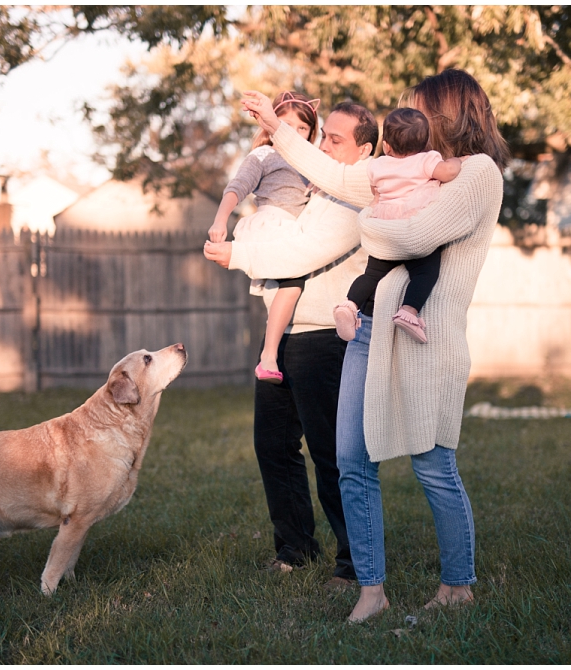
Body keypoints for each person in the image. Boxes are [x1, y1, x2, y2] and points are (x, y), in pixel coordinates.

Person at [241, 68, 509, 623]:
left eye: (417, 110)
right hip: (367, 329)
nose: (403, 122)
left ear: (448, 113)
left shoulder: (477, 175)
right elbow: (334, 174)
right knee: (350, 460)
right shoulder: (396, 173)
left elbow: (413, 237)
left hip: (428, 339)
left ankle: (457, 587)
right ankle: (371, 590)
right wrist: (278, 128)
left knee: (433, 466)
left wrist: (370, 221)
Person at [203, 100, 381, 585]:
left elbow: (302, 250)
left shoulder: (357, 192)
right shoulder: (317, 182)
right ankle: (296, 547)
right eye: (324, 137)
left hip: (325, 336)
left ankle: (355, 563)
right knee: (274, 445)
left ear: (364, 150)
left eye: (334, 140)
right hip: (283, 333)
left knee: (332, 453)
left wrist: (238, 252)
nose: (321, 146)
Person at [208, 91, 320, 383]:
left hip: (296, 229)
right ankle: (268, 356)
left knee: (289, 289)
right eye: (286, 124)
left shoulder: (312, 161)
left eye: (302, 128)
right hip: (273, 223)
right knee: (292, 281)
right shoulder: (264, 154)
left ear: (311, 133)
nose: (293, 133)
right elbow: (237, 187)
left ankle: (275, 350)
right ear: (271, 124)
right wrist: (220, 220)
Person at [333, 107, 463, 344]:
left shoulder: (378, 165)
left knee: (371, 274)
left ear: (387, 146)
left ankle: (349, 305)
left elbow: (376, 191)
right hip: (411, 228)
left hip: (385, 228)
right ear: (426, 143)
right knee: (426, 272)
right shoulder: (426, 160)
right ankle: (409, 312)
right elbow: (449, 172)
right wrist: (455, 160)